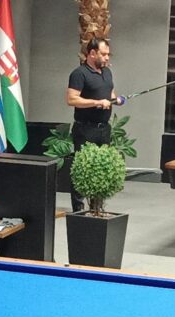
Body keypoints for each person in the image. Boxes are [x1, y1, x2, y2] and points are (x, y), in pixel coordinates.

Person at [66, 37, 125, 212]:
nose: (107, 58)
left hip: (103, 129)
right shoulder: (79, 73)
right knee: (82, 167)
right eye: (104, 54)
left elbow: (109, 93)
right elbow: (71, 99)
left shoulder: (107, 73)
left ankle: (97, 208)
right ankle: (78, 209)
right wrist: (97, 102)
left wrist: (116, 100)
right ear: (92, 53)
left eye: (108, 55)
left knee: (101, 167)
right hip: (85, 129)